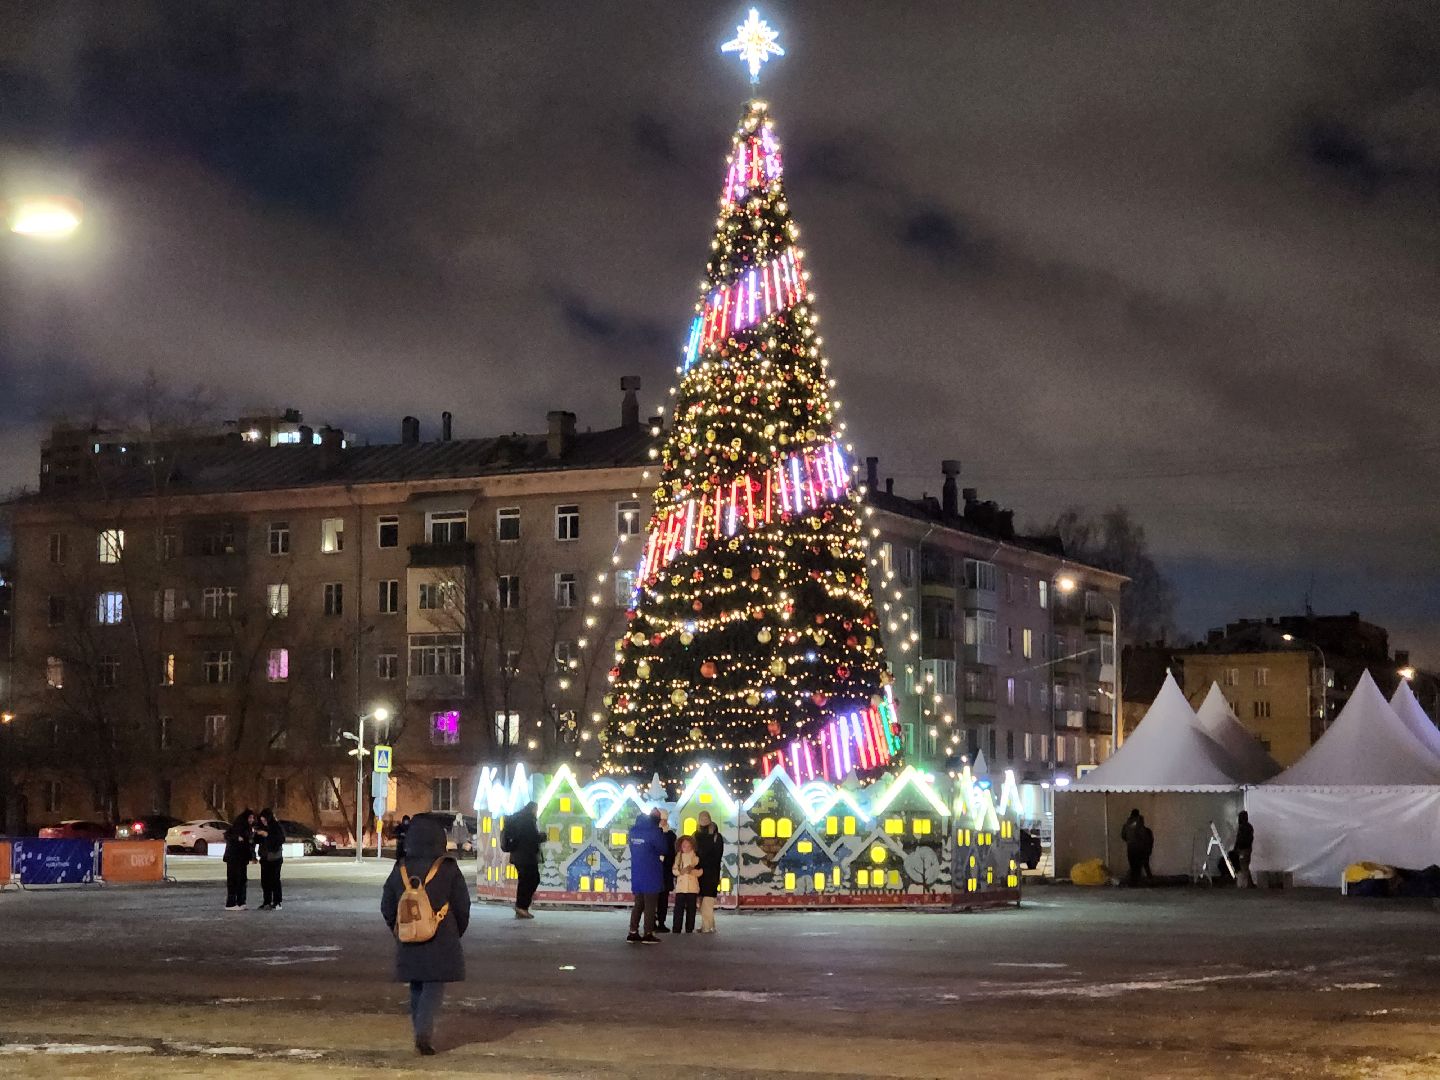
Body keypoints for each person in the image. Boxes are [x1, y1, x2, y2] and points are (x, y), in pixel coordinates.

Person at [381, 815, 472, 1056]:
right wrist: (455, 931)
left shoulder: (400, 868)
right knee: (433, 986)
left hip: (409, 936)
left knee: (416, 985)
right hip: (441, 937)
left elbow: (387, 904)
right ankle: (424, 1032)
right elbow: (462, 905)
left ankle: (419, 1029)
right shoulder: (448, 867)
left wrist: (398, 929)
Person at [626, 809, 664, 943]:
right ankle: (648, 933)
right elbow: (663, 848)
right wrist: (661, 832)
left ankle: (633, 931)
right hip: (651, 872)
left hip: (637, 872)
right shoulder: (654, 832)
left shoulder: (633, 832)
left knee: (638, 903)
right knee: (650, 905)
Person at [501, 801, 543, 919]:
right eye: (536, 810)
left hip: (518, 856)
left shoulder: (519, 819)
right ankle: (521, 906)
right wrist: (542, 837)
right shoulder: (527, 820)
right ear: (533, 809)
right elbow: (530, 838)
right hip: (526, 857)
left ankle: (521, 907)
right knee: (531, 880)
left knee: (525, 880)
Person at [693, 810, 725, 933]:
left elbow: (717, 856)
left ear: (710, 819)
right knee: (702, 902)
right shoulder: (695, 835)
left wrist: (702, 863)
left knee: (707, 901)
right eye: (701, 818)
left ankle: (707, 927)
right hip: (699, 874)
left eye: (705, 818)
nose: (703, 820)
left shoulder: (717, 836)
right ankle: (709, 925)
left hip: (710, 873)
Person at [222, 809, 256, 911]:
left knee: (242, 880)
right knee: (233, 880)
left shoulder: (249, 829)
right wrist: (237, 838)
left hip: (242, 858)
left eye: (253, 818)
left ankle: (241, 902)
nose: (252, 820)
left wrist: (253, 856)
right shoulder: (236, 827)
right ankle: (231, 903)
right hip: (233, 858)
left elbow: (250, 844)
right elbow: (227, 835)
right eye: (250, 818)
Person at [254, 808, 285, 911]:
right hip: (264, 857)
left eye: (265, 820)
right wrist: (257, 834)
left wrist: (267, 835)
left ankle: (277, 902)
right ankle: (266, 901)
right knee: (265, 881)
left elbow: (281, 839)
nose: (263, 822)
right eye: (262, 820)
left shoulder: (276, 827)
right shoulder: (261, 827)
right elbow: (256, 840)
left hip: (275, 857)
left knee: (275, 880)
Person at [654, 809, 677, 933]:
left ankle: (661, 922)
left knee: (663, 899)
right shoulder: (653, 833)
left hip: (665, 872)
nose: (663, 822)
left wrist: (666, 860)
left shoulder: (671, 836)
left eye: (664, 819)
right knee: (653, 898)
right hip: (654, 871)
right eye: (661, 819)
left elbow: (673, 853)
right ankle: (652, 922)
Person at [671, 835, 701, 933]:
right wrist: (680, 872)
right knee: (678, 909)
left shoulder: (696, 857)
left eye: (689, 846)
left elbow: (700, 871)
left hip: (692, 887)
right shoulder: (678, 857)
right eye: (684, 846)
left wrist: (691, 871)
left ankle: (689, 928)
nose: (686, 848)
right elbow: (674, 870)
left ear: (692, 846)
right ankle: (676, 928)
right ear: (680, 847)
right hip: (681, 887)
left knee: (691, 909)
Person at [1121, 808, 1151, 887]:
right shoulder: (1140, 823)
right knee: (1140, 865)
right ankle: (1139, 881)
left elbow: (1123, 836)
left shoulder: (1126, 825)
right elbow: (1144, 836)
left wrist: (1129, 841)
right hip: (1140, 848)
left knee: (1133, 865)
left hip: (1130, 847)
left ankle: (1133, 882)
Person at [1233, 810, 1256, 889]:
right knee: (1245, 865)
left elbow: (1239, 839)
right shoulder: (1249, 827)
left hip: (1243, 849)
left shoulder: (1242, 827)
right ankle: (1248, 883)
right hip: (1247, 849)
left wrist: (1236, 847)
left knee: (1243, 866)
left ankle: (1245, 884)